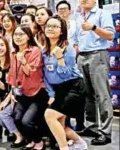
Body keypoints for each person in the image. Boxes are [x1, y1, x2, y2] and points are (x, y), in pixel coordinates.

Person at [73, 0, 115, 145]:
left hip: (98, 55)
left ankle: (106, 132)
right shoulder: (78, 16)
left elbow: (110, 35)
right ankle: (92, 126)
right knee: (87, 95)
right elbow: (77, 40)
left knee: (102, 95)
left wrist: (94, 28)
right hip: (81, 57)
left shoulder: (102, 14)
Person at [43, 15, 87, 150]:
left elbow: (67, 74)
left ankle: (64, 148)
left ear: (61, 30)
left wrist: (60, 57)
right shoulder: (43, 51)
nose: (50, 29)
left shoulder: (68, 49)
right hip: (59, 89)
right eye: (48, 26)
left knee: (49, 115)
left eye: (55, 26)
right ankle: (79, 143)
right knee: (60, 124)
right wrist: (51, 93)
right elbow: (45, 75)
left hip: (74, 86)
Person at [7, 25, 48, 150]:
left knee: (27, 121)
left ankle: (38, 141)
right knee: (17, 118)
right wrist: (13, 92)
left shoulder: (35, 51)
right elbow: (12, 74)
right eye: (16, 35)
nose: (18, 37)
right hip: (21, 93)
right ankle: (30, 140)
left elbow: (32, 73)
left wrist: (24, 61)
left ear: (29, 36)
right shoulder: (13, 53)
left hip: (36, 92)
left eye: (21, 34)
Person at [0, 37, 23, 144]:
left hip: (16, 94)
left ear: (7, 47)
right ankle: (13, 131)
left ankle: (19, 135)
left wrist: (5, 101)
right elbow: (1, 87)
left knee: (3, 115)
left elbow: (14, 85)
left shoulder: (12, 61)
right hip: (4, 95)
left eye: (2, 45)